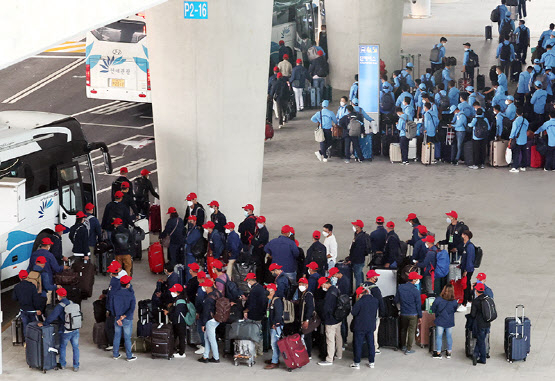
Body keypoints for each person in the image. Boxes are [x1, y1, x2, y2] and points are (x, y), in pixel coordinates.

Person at [39, 288, 81, 371]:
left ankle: (62, 364)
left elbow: (52, 316)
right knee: (75, 347)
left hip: (66, 330)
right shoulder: (72, 303)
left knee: (62, 347)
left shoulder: (60, 306)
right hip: (75, 329)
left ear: (59, 296)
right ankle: (76, 366)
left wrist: (44, 323)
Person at [350, 286, 379, 369]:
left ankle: (357, 363)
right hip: (371, 326)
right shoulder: (375, 301)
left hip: (360, 326)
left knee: (358, 344)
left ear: (360, 295)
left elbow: (353, 312)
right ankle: (371, 362)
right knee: (371, 344)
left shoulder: (360, 302)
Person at [110, 275, 137, 361]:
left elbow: (112, 307)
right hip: (127, 318)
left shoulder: (115, 294)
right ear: (128, 285)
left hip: (117, 319)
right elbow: (132, 308)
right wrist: (124, 316)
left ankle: (115, 354)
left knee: (117, 336)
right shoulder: (131, 295)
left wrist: (117, 318)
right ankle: (129, 356)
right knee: (127, 338)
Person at [395, 271, 422, 354]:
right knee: (411, 331)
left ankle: (403, 346)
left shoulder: (400, 287)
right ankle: (409, 349)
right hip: (413, 314)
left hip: (403, 313)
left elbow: (396, 300)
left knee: (403, 329)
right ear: (413, 280)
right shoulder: (416, 291)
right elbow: (418, 305)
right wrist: (420, 316)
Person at [318, 277, 342, 366]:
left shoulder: (329, 294)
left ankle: (329, 359)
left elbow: (326, 308)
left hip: (330, 320)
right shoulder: (336, 289)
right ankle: (339, 354)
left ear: (325, 283)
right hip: (338, 318)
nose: (321, 287)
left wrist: (323, 317)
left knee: (330, 339)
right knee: (338, 336)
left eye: (321, 285)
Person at [430, 284, 459, 359]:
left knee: (439, 336)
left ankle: (438, 353)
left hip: (440, 320)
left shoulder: (438, 300)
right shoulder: (454, 302)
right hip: (449, 321)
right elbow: (455, 310)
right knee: (449, 336)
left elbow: (433, 309)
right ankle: (449, 352)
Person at [12, 270, 43, 336]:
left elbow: (14, 298)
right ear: (27, 276)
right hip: (32, 310)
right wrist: (38, 309)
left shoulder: (16, 287)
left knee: (25, 326)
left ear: (19, 277)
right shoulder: (32, 286)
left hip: (23, 310)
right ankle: (34, 341)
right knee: (34, 325)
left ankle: (27, 341)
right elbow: (36, 299)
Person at [198, 278, 221, 363]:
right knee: (207, 338)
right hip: (217, 318)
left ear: (207, 287)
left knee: (211, 339)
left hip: (210, 321)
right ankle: (205, 356)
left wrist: (203, 324)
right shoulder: (217, 293)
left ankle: (216, 357)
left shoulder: (208, 298)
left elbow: (206, 312)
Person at [243, 273, 266, 356]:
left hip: (254, 315)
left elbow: (252, 304)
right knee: (259, 333)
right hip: (260, 314)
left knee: (253, 333)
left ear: (250, 281)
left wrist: (245, 311)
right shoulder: (260, 288)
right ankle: (260, 351)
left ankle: (254, 352)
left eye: (248, 281)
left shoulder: (254, 290)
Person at [470, 283, 490, 365]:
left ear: (476, 291)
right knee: (481, 340)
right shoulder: (487, 298)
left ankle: (482, 358)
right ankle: (475, 354)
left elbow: (473, 314)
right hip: (487, 323)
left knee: (481, 341)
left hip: (480, 324)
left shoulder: (476, 301)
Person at [264, 283, 284, 369]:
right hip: (272, 325)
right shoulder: (270, 300)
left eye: (268, 289)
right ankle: (274, 358)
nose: (266, 291)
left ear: (272, 290)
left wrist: (276, 324)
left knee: (274, 343)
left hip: (276, 326)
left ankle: (275, 362)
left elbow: (279, 314)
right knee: (274, 343)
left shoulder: (277, 300)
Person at [166, 284, 188, 358]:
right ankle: (178, 348)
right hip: (179, 321)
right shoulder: (179, 298)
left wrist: (168, 313)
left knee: (181, 336)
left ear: (177, 292)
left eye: (173, 291)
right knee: (179, 335)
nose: (172, 293)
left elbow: (176, 313)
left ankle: (181, 353)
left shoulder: (180, 302)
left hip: (180, 322)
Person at [297, 277, 315, 358]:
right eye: (300, 284)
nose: (301, 286)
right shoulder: (302, 295)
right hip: (302, 320)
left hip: (307, 320)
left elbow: (310, 308)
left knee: (307, 337)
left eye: (303, 284)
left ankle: (308, 354)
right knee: (303, 337)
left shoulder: (308, 295)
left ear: (307, 285)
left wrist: (307, 320)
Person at [348, 219, 368, 288]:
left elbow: (357, 251)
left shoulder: (360, 238)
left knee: (358, 277)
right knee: (360, 274)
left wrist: (351, 259)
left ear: (358, 227)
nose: (353, 227)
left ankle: (359, 292)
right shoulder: (357, 235)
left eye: (355, 225)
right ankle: (362, 288)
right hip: (358, 260)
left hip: (358, 261)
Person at [509, 108, 530, 173]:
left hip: (517, 140)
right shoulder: (526, 121)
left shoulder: (516, 121)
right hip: (524, 139)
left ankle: (515, 167)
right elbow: (526, 129)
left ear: (516, 113)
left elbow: (513, 131)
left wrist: (511, 138)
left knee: (516, 153)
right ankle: (523, 166)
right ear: (522, 113)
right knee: (524, 153)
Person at [460, 230, 476, 311]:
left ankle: (464, 303)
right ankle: (470, 300)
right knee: (468, 284)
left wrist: (466, 270)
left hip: (468, 269)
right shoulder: (466, 245)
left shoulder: (469, 247)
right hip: (466, 268)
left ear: (466, 236)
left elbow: (469, 259)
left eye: (462, 234)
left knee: (465, 286)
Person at [185, 216, 202, 281]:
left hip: (192, 254)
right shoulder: (190, 230)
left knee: (191, 271)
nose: (189, 222)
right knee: (187, 270)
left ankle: (190, 284)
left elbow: (188, 240)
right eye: (188, 221)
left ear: (195, 222)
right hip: (188, 253)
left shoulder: (196, 231)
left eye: (191, 221)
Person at [252, 217, 269, 282]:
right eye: (258, 222)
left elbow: (258, 242)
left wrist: (255, 241)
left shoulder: (264, 232)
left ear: (264, 223)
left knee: (260, 266)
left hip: (260, 252)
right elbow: (254, 240)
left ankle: (260, 280)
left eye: (260, 222)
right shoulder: (259, 230)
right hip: (256, 251)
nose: (259, 224)